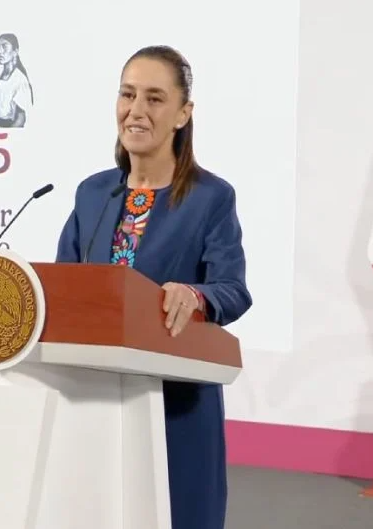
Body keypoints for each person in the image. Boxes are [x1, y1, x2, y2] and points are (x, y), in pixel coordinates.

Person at [55, 45, 252, 529]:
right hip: (95, 399)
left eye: (154, 98)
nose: (136, 110)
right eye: (127, 95)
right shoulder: (92, 193)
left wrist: (196, 295)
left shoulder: (211, 197)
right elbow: (62, 285)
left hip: (176, 406)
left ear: (183, 113)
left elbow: (233, 288)